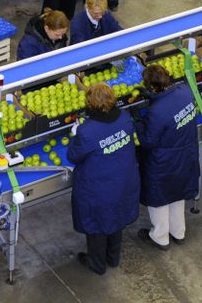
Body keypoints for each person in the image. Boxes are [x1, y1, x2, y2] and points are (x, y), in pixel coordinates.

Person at [67, 83, 140, 275]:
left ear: (90, 103)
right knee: (116, 217)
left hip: (99, 187)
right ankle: (112, 258)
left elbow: (73, 156)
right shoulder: (125, 117)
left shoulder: (88, 131)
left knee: (97, 224)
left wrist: (75, 134)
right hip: (123, 180)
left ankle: (97, 263)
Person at [136, 65, 200, 249]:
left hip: (164, 161)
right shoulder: (185, 91)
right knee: (178, 193)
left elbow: (148, 140)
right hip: (185, 154)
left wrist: (138, 121)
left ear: (152, 87)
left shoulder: (158, 111)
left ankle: (160, 236)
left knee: (159, 198)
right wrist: (153, 98)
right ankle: (179, 232)